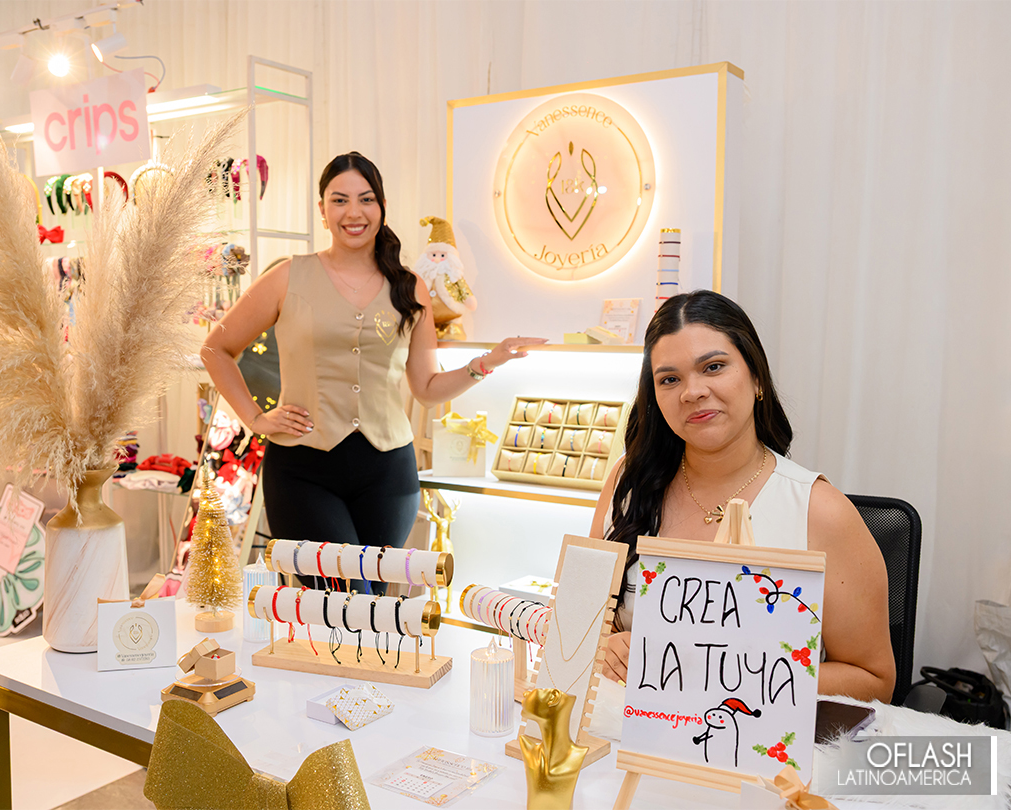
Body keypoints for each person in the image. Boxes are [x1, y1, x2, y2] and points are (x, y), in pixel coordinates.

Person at [202, 151, 544, 591]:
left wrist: (485, 364)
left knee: (371, 612)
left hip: (389, 477)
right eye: (339, 200)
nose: (354, 212)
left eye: (366, 199)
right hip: (303, 471)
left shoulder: (409, 287)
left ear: (381, 207)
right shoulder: (289, 276)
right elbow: (216, 349)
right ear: (322, 210)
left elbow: (426, 387)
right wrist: (255, 418)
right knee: (345, 600)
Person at [591, 290, 896, 703]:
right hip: (635, 727)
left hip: (761, 737)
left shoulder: (820, 511)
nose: (692, 392)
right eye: (669, 379)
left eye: (713, 367)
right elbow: (587, 617)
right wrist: (605, 647)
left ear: (756, 378)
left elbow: (874, 680)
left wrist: (725, 675)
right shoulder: (628, 483)